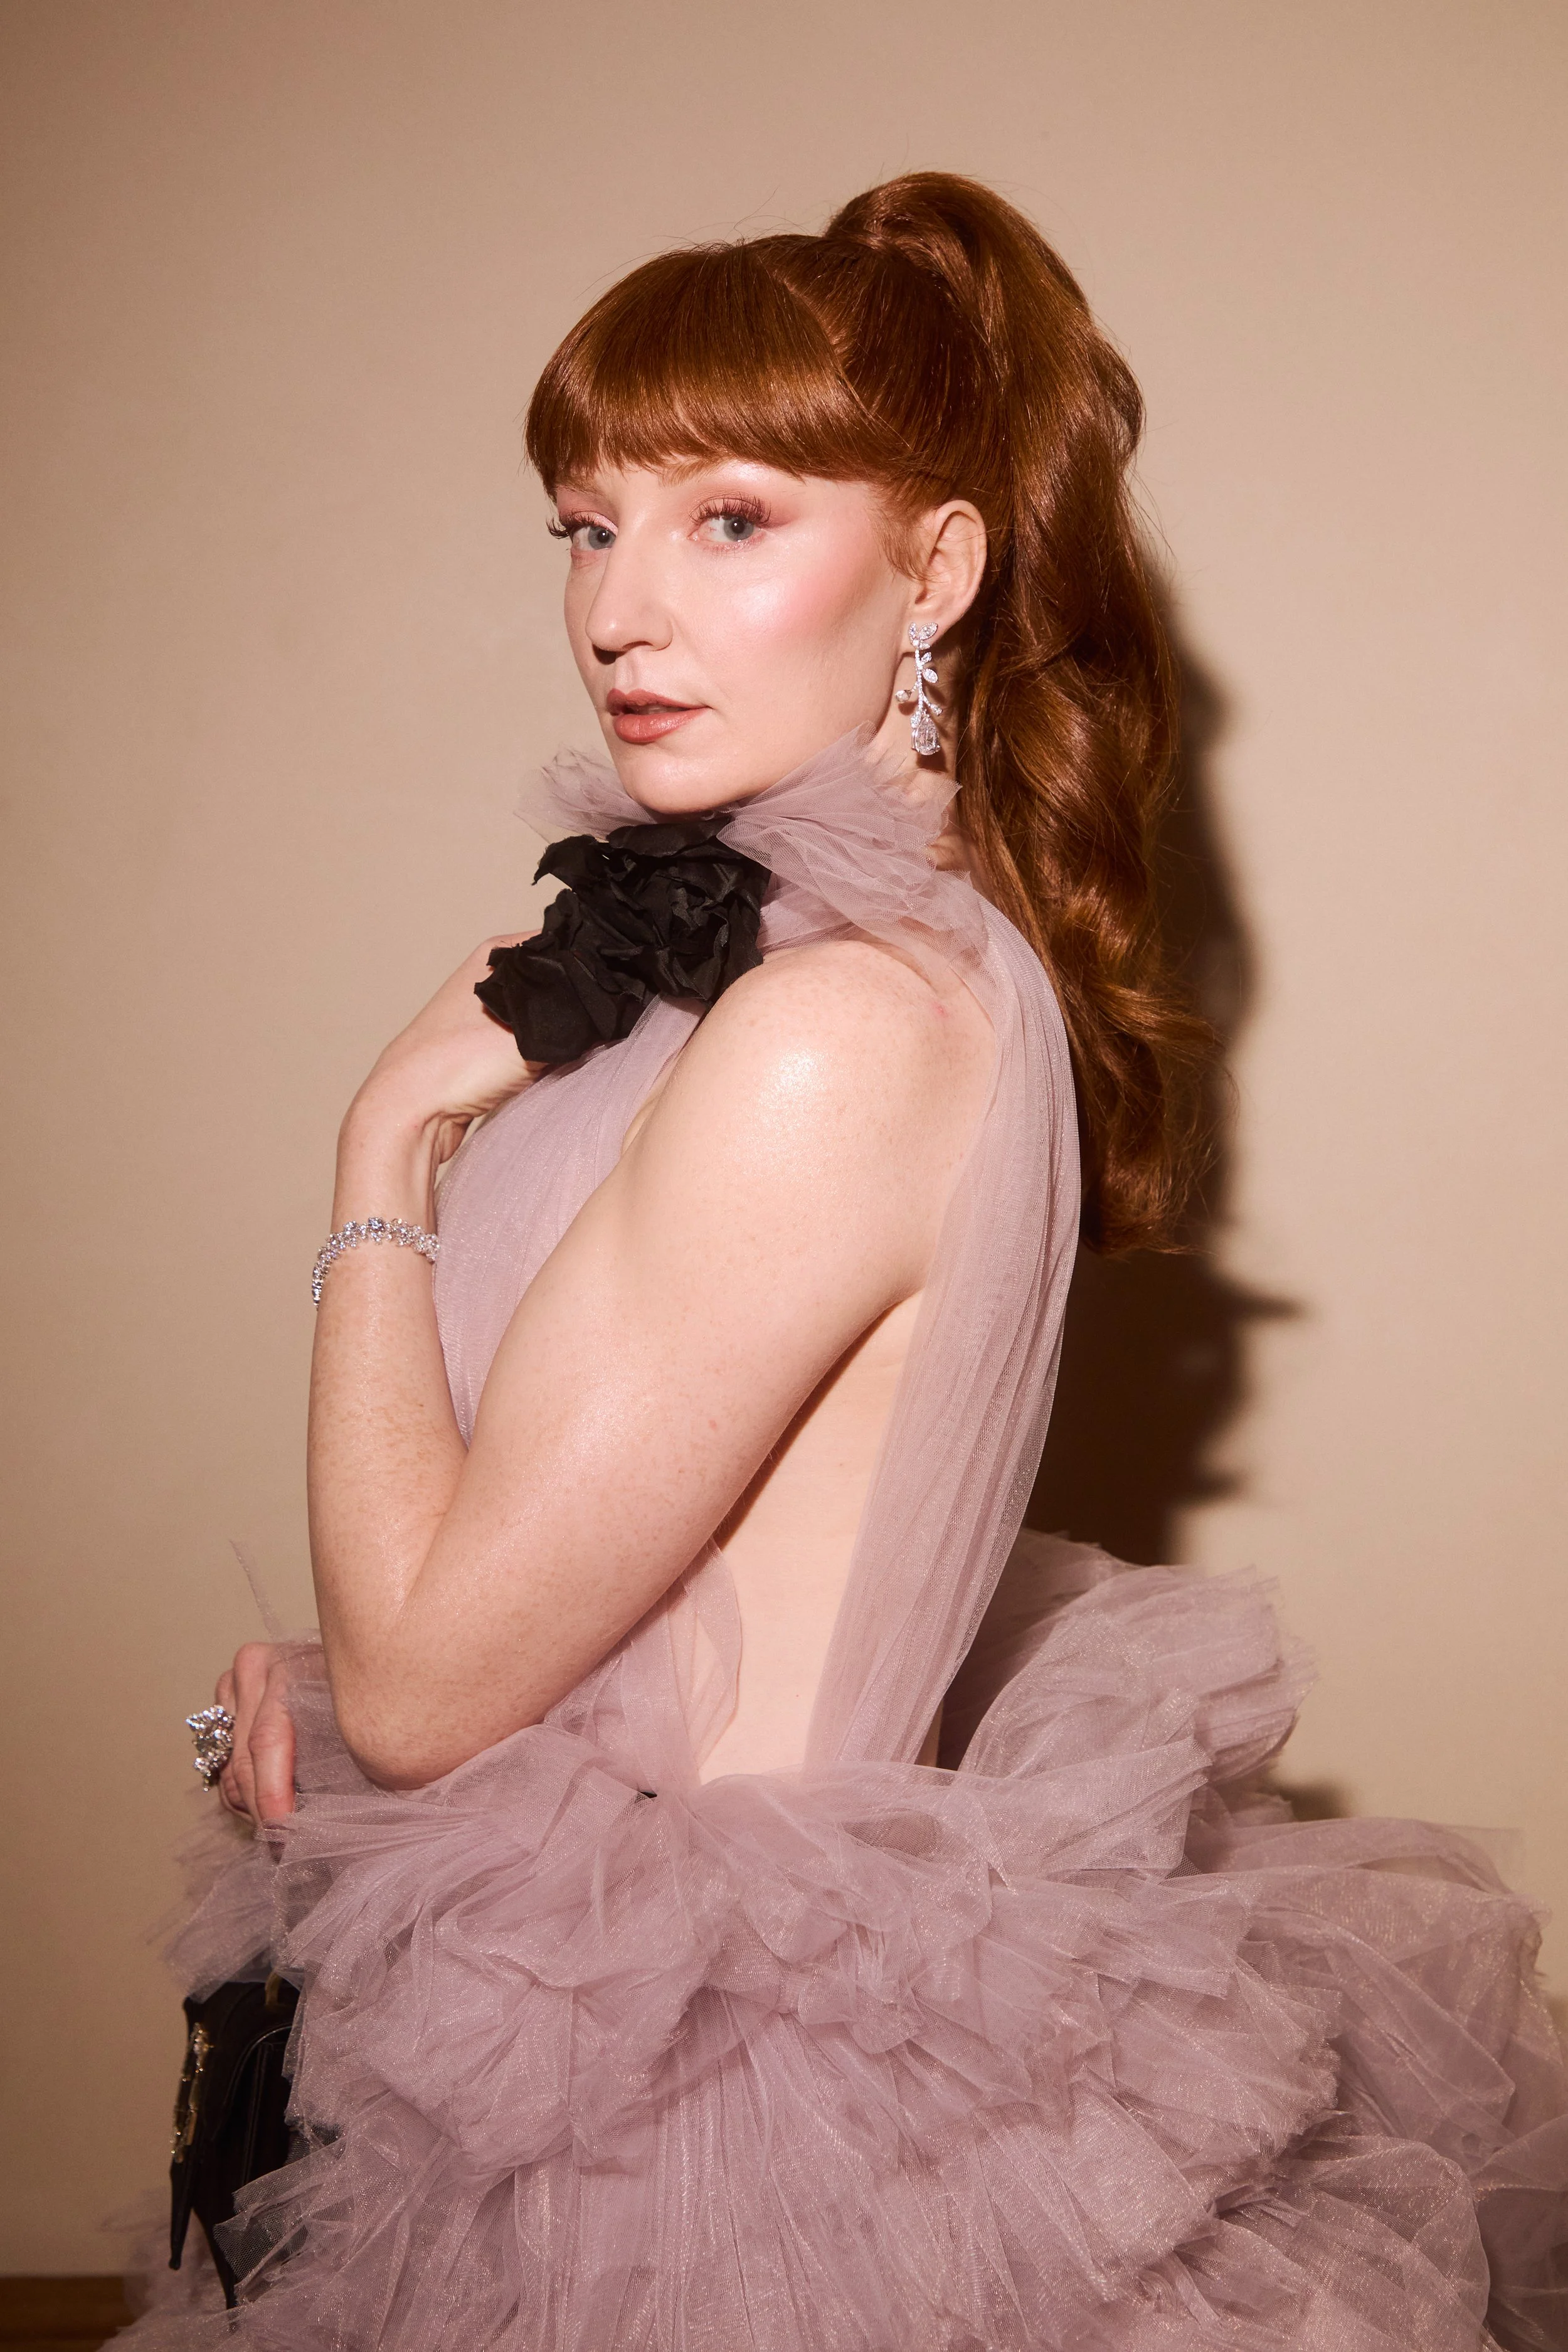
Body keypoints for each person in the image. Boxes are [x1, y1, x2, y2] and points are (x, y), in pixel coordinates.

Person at [132, 174, 1567, 2351]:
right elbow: (631, 1561)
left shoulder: (833, 1027)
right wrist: (337, 1678)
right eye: (584, 523)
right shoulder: (823, 978)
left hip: (701, 2136)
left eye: (727, 517)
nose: (622, 606)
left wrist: (383, 1141)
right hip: (664, 2025)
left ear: (939, 569)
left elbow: (440, 1690)